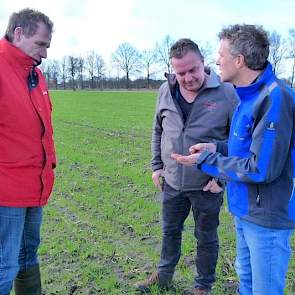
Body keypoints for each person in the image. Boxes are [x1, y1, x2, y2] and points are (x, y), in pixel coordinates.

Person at [172, 24, 295, 295]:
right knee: (247, 285)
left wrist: (208, 160)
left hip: (267, 218)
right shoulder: (248, 97)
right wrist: (215, 146)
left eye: (221, 54)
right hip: (244, 210)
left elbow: (261, 168)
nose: (217, 60)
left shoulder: (275, 98)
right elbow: (248, 148)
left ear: (239, 60)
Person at [134, 38, 238, 295]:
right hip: (172, 182)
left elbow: (239, 142)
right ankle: (164, 275)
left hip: (207, 184)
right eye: (181, 72)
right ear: (173, 70)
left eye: (193, 70)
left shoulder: (226, 92)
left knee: (206, 237)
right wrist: (157, 166)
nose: (188, 77)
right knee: (170, 231)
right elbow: (159, 130)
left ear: (203, 63)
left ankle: (203, 286)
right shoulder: (164, 91)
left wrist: (222, 178)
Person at [0, 8, 56, 295]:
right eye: (41, 44)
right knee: (3, 266)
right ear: (18, 33)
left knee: (26, 258)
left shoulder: (35, 75)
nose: (45, 53)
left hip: (34, 186)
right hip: (6, 191)